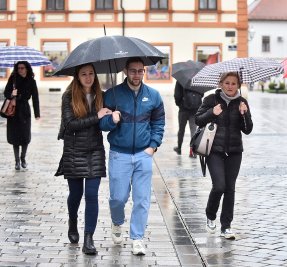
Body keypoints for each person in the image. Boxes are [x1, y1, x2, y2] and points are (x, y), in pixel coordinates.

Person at [99, 57, 165, 255]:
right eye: (133, 71)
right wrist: (112, 119)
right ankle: (117, 222)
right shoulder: (112, 95)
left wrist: (152, 146)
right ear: (125, 71)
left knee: (142, 199)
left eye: (140, 71)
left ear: (144, 72)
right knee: (118, 198)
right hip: (119, 154)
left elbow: (159, 123)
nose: (136, 75)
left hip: (144, 154)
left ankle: (137, 238)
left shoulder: (154, 96)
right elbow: (102, 125)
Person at [57, 63, 111, 255]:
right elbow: (71, 124)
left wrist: (112, 113)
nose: (88, 77)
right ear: (77, 77)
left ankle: (89, 238)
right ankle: (72, 221)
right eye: (83, 74)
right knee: (76, 195)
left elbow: (106, 120)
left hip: (95, 150)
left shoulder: (102, 95)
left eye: (91, 74)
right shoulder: (68, 96)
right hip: (74, 151)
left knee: (91, 195)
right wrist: (97, 116)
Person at [195, 72, 253, 240]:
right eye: (227, 83)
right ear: (220, 83)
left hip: (235, 151)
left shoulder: (242, 103)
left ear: (238, 85)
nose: (230, 86)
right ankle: (210, 213)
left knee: (230, 188)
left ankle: (226, 226)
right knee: (219, 186)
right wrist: (212, 113)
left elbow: (248, 129)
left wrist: (245, 114)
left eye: (233, 83)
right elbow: (198, 120)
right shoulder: (210, 100)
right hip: (214, 150)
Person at [3, 61, 40, 170]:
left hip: (24, 110)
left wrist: (37, 114)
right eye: (18, 68)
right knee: (15, 137)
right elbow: (5, 93)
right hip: (13, 111)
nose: (20, 70)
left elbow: (35, 98)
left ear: (27, 69)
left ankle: (23, 158)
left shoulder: (31, 81)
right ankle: (17, 161)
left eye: (22, 68)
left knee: (24, 136)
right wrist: (11, 94)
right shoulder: (13, 79)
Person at [173, 81, 203, 157]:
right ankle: (193, 151)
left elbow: (177, 95)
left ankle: (179, 148)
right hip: (195, 109)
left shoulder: (181, 79)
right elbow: (201, 93)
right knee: (193, 130)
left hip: (183, 109)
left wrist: (179, 104)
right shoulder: (198, 79)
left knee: (181, 129)